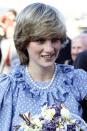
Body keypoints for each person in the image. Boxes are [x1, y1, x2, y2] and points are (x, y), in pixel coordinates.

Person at [0, 3, 87, 131]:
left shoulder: (76, 80)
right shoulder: (9, 88)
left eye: (54, 39)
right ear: (24, 41)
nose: (49, 49)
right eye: (40, 40)